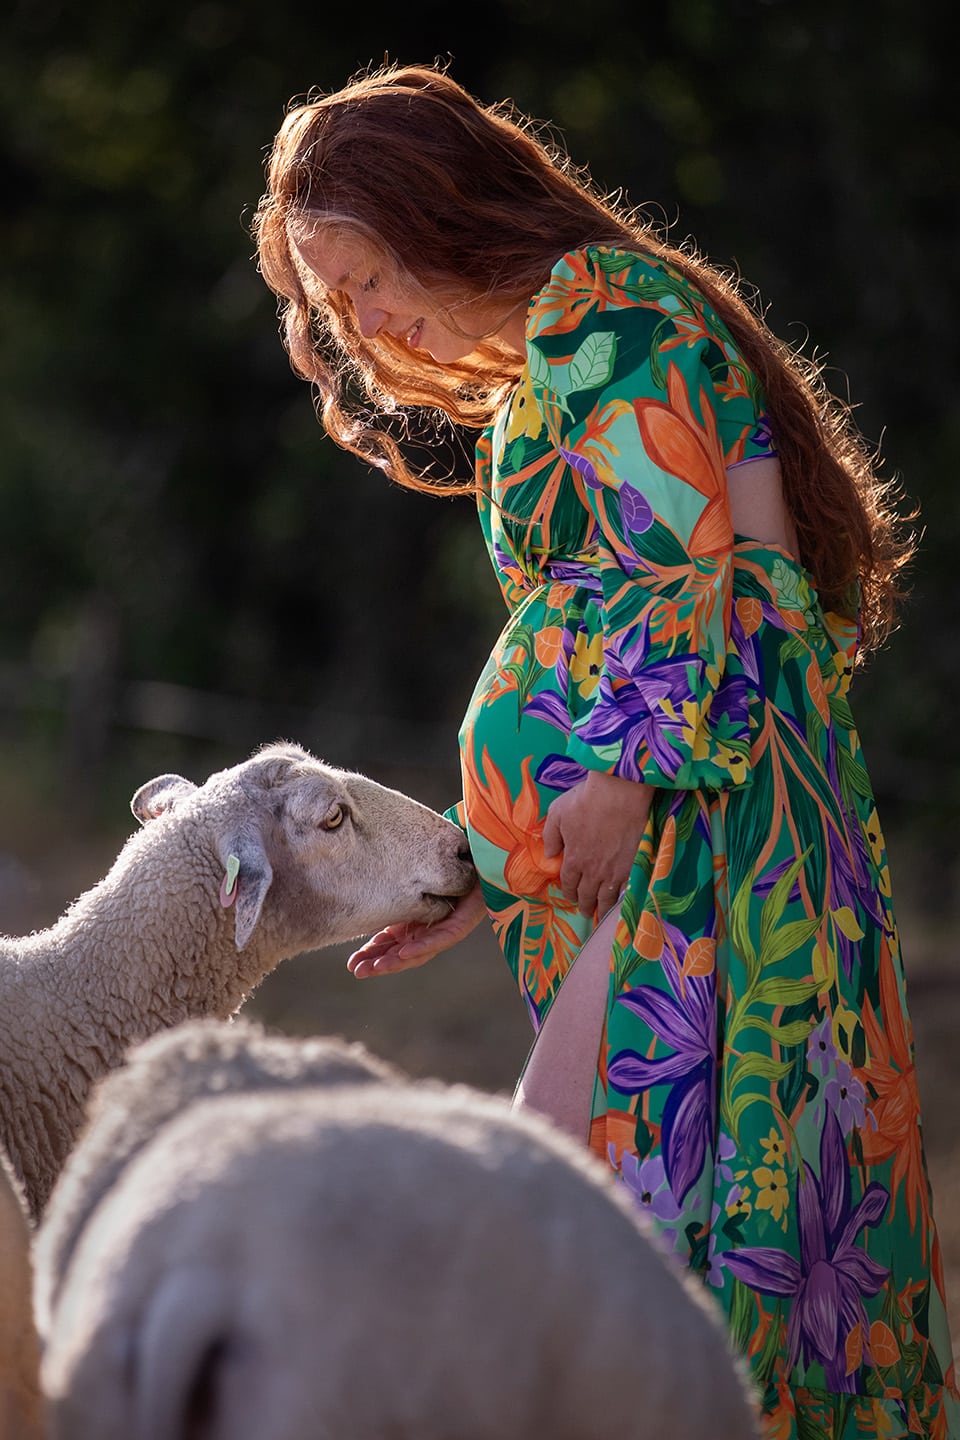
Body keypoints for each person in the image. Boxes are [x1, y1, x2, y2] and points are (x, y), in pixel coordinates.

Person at [253, 62, 957, 1439]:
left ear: (440, 209)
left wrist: (626, 778)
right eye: (333, 305)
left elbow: (702, 579)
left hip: (709, 836)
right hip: (657, 842)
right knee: (650, 1225)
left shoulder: (610, 313)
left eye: (366, 276)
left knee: (604, 1209)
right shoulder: (554, 353)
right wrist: (486, 879)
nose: (365, 321)